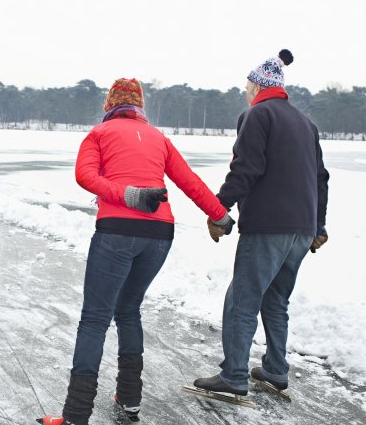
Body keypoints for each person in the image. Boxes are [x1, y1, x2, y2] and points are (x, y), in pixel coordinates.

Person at [39, 78, 234, 425]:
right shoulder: (159, 138)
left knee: (95, 318)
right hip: (159, 234)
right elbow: (189, 180)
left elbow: (84, 176)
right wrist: (219, 214)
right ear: (140, 107)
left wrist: (127, 195)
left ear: (110, 105)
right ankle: (130, 400)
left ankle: (75, 415)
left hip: (117, 231)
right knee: (128, 310)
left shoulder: (99, 134)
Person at [193, 50, 330, 396]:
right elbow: (321, 178)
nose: (245, 92)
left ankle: (234, 376)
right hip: (302, 229)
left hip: (269, 226)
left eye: (246, 86)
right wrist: (319, 225)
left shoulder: (257, 115)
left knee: (243, 298)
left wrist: (217, 209)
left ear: (256, 86)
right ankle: (276, 370)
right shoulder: (305, 122)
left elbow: (245, 169)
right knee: (275, 300)